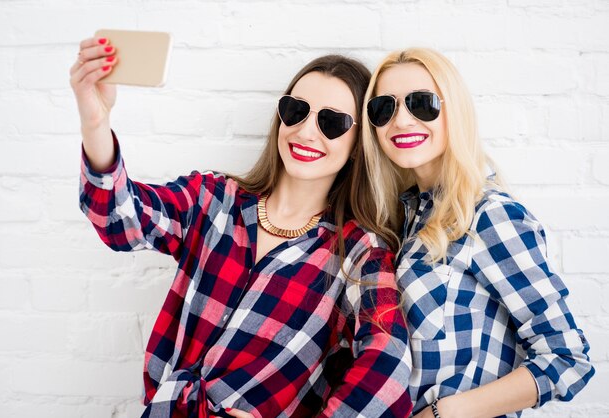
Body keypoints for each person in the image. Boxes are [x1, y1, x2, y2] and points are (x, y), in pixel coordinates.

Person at [70, 36, 413, 418]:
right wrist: (95, 122)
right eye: (295, 110)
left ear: (357, 144)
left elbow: (389, 365)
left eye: (332, 122)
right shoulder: (214, 200)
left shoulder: (360, 253)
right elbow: (121, 219)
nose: (305, 131)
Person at [360, 47, 595, 418]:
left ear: (454, 110)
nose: (401, 121)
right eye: (383, 108)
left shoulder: (490, 216)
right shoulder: (403, 221)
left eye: (421, 103)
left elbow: (566, 357)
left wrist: (445, 413)